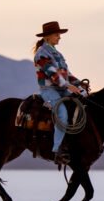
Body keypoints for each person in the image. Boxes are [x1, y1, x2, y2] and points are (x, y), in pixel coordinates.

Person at [32, 21, 89, 161]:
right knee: (62, 113)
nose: (59, 37)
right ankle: (57, 149)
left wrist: (80, 85)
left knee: (83, 103)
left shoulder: (58, 54)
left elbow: (67, 74)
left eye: (59, 34)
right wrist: (69, 86)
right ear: (47, 37)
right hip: (49, 89)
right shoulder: (41, 54)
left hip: (62, 88)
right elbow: (53, 74)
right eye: (57, 34)